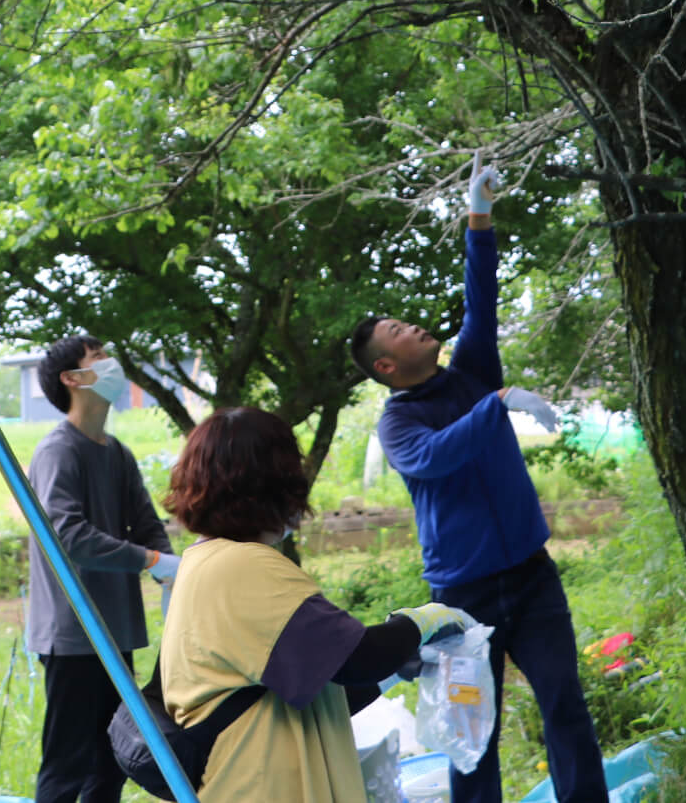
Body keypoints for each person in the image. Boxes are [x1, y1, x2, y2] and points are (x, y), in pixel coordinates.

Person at [350, 157, 608, 803]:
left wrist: (479, 216)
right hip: (463, 598)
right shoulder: (397, 423)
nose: (412, 325)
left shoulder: (469, 368)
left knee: (564, 706)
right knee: (474, 733)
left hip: (531, 571)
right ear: (387, 363)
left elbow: (481, 296)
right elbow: (437, 455)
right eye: (397, 331)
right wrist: (498, 403)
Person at [157, 405, 469, 803]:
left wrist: (391, 673)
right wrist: (422, 619)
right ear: (274, 485)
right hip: (259, 787)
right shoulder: (242, 567)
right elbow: (359, 659)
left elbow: (311, 680)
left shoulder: (205, 561)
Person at [25, 335, 178, 803]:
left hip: (114, 629)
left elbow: (147, 523)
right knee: (68, 763)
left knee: (113, 759)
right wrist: (149, 559)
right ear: (72, 379)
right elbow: (67, 537)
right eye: (99, 358)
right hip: (73, 634)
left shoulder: (117, 452)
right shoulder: (59, 451)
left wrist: (170, 565)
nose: (112, 364)